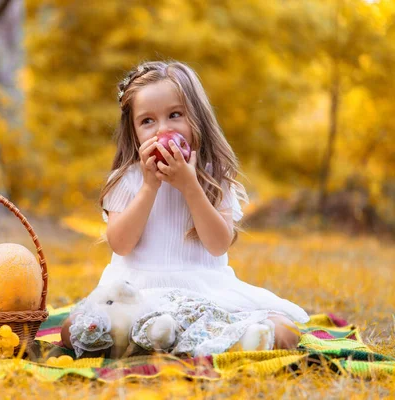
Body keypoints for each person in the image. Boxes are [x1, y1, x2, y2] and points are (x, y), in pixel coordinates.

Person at [61, 60, 309, 352]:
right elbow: (121, 244)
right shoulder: (126, 179)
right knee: (71, 328)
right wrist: (149, 186)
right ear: (134, 131)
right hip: (137, 292)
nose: (162, 129)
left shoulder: (213, 175)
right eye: (147, 121)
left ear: (197, 118)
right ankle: (164, 335)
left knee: (284, 331)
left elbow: (218, 244)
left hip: (203, 291)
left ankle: (187, 338)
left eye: (175, 115)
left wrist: (190, 186)